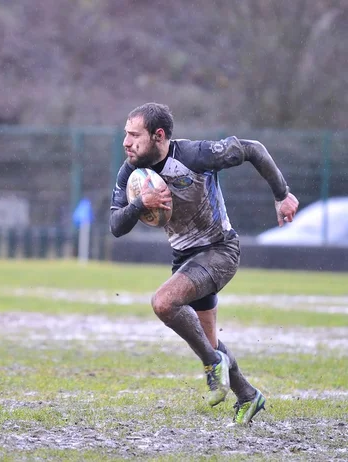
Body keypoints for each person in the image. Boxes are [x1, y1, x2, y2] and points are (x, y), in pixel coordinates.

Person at [109, 102, 299, 425]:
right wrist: (143, 202)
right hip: (185, 259)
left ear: (158, 136)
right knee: (208, 341)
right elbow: (116, 226)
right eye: (125, 134)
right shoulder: (130, 172)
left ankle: (212, 366)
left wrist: (282, 194)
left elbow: (252, 149)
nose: (126, 142)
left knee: (163, 303)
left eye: (133, 135)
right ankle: (249, 396)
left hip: (220, 250)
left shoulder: (195, 155)